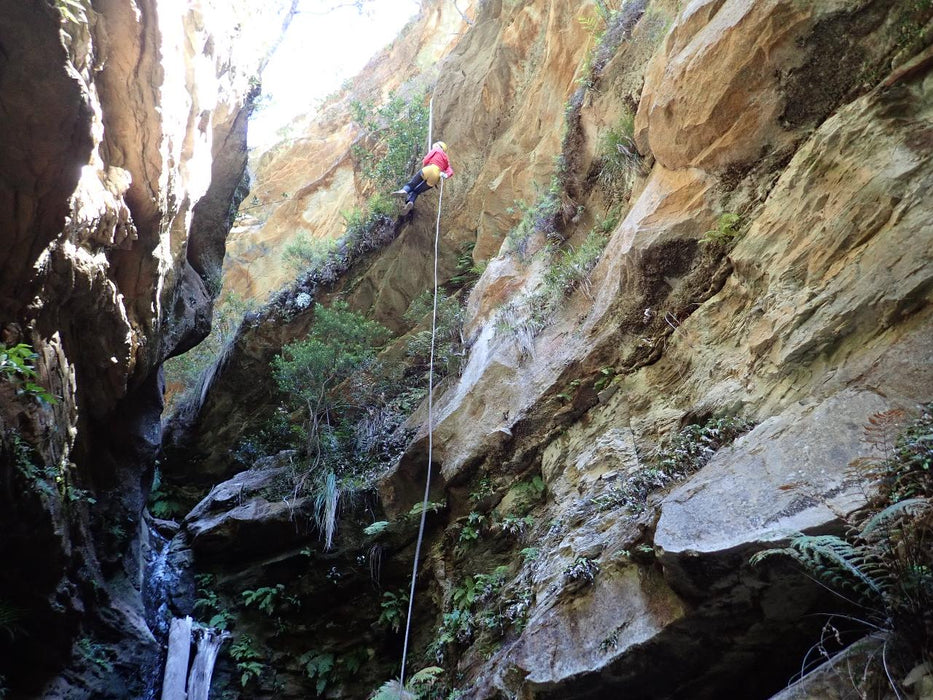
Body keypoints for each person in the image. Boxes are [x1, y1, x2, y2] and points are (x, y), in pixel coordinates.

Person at [393, 141, 453, 212]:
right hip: (436, 177)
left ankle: (404, 191)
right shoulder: (446, 159)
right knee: (416, 191)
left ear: (439, 146)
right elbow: (450, 171)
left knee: (412, 184)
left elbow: (426, 160)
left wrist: (425, 163)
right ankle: (410, 202)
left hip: (429, 169)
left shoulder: (437, 150)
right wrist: (445, 175)